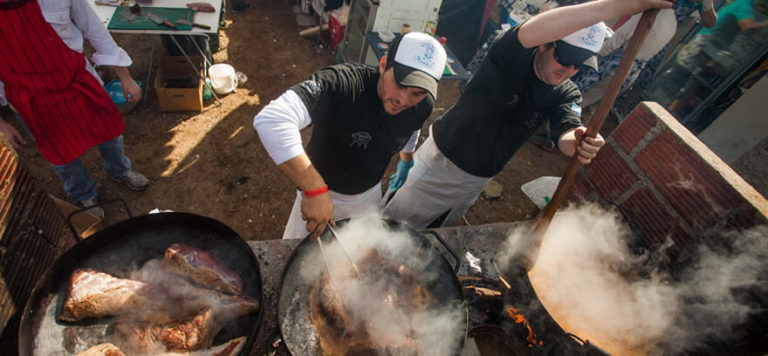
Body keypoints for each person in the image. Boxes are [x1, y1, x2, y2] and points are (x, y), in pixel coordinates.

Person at [382, 0, 673, 229]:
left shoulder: (565, 92)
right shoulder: (509, 57)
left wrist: (580, 141)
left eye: (579, 66)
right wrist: (627, 5)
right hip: (442, 163)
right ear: (546, 45)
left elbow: (567, 133)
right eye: (566, 59)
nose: (569, 71)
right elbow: (535, 27)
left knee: (438, 230)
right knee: (392, 226)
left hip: (479, 177)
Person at [253, 32, 447, 239]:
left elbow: (412, 127)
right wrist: (314, 190)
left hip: (368, 196)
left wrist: (406, 159)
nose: (403, 100)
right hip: (323, 194)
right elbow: (272, 119)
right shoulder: (344, 85)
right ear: (383, 65)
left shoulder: (422, 105)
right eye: (400, 84)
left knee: (355, 259)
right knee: (296, 254)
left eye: (416, 93)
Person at [0, 0, 150, 219]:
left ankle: (120, 170)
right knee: (62, 156)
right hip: (31, 100)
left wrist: (124, 76)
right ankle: (83, 194)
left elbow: (95, 30)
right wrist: (2, 124)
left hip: (78, 82)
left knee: (110, 134)